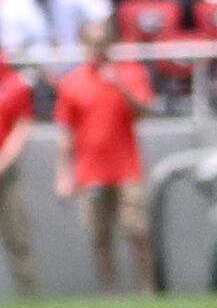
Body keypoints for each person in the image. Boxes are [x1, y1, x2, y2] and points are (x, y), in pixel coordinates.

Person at [52, 22, 149, 293]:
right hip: (91, 170)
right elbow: (66, 133)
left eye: (103, 44)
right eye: (93, 44)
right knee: (100, 235)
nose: (98, 50)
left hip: (126, 168)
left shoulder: (128, 73)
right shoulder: (72, 82)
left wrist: (120, 86)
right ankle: (110, 291)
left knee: (137, 231)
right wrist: (64, 174)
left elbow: (144, 110)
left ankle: (148, 289)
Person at [0, 46, 35, 297]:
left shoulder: (14, 85)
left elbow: (21, 126)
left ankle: (29, 298)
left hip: (6, 175)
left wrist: (2, 162)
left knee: (18, 238)